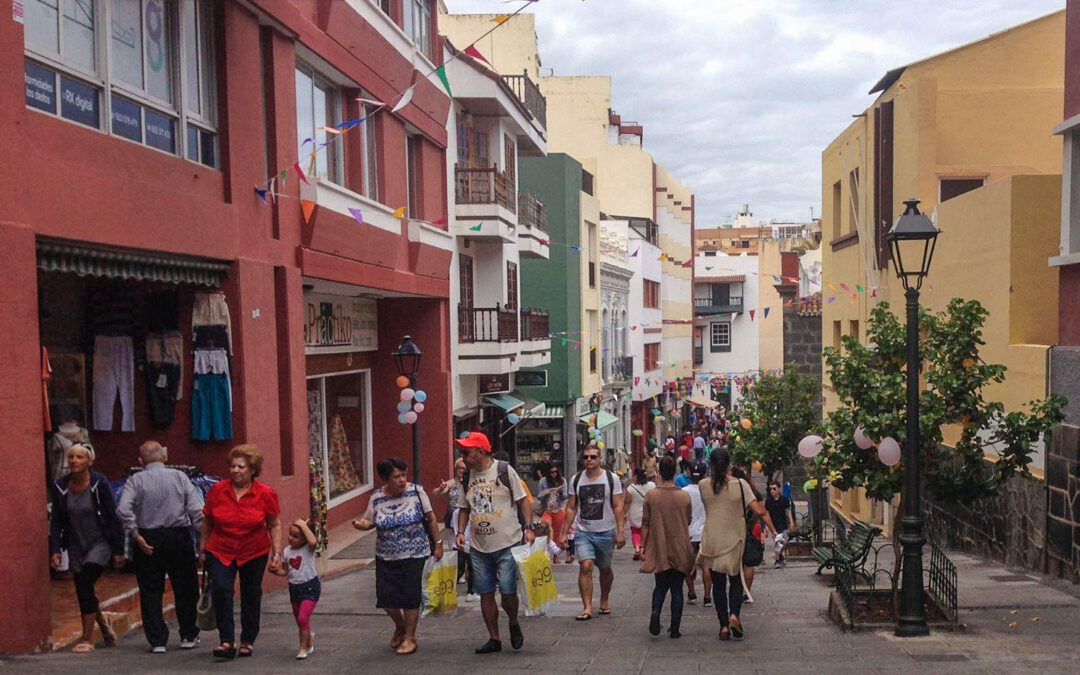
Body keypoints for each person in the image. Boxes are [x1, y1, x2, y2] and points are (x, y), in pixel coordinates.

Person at [116, 441, 205, 653]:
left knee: (150, 590)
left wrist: (135, 533)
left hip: (148, 537)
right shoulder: (180, 477)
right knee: (186, 587)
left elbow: (122, 509)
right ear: (164, 457)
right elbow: (197, 511)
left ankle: (157, 640)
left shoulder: (135, 480)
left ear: (140, 461)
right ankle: (188, 634)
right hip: (178, 536)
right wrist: (202, 538)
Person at [455, 431, 536, 654]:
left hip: (507, 543)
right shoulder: (466, 477)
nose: (462, 456)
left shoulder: (504, 470)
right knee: (486, 592)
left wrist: (529, 528)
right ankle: (494, 638)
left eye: (466, 452)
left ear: (480, 452)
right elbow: (464, 508)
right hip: (480, 546)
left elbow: (524, 502)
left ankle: (512, 621)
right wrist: (461, 532)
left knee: (508, 591)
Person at [352, 457, 441, 656]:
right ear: (385, 479)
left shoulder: (416, 491)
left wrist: (439, 545)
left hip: (415, 553)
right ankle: (400, 626)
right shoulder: (377, 497)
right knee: (387, 600)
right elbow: (369, 520)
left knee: (410, 597)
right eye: (396, 477)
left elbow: (432, 518)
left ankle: (410, 637)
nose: (401, 480)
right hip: (386, 556)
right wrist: (362, 525)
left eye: (403, 475)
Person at [200, 444, 282, 659]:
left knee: (251, 594)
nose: (235, 470)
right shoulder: (217, 490)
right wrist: (202, 548)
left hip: (253, 549)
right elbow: (207, 521)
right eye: (233, 466)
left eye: (241, 467)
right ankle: (226, 640)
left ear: (252, 470)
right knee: (221, 589)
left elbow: (274, 524)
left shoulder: (265, 493)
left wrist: (277, 553)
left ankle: (247, 639)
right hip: (220, 548)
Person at [48, 442, 125, 653]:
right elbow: (56, 520)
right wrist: (54, 549)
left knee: (84, 584)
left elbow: (112, 516)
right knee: (84, 589)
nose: (74, 461)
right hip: (75, 544)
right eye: (71, 457)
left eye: (79, 457)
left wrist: (119, 550)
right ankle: (104, 626)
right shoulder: (60, 486)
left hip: (99, 543)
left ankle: (87, 638)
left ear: (89, 461)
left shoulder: (99, 483)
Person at [698, 448, 773, 641]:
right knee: (736, 581)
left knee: (719, 584)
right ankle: (734, 615)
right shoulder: (740, 485)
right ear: (729, 464)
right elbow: (758, 510)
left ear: (711, 465)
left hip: (713, 540)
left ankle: (723, 626)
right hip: (735, 540)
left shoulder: (703, 485)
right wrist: (748, 521)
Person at [558, 442, 626, 621]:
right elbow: (571, 507)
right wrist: (564, 533)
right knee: (586, 566)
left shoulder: (611, 479)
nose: (589, 460)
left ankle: (604, 598)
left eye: (593, 457)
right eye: (586, 457)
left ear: (600, 459)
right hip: (584, 531)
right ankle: (587, 606)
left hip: (606, 532)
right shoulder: (576, 480)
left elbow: (618, 506)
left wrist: (620, 531)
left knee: (604, 569)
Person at [639, 456, 693, 639]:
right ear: (674, 472)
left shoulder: (652, 496)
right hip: (679, 545)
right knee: (677, 588)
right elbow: (688, 520)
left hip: (659, 545)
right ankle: (675, 628)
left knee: (660, 586)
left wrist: (642, 546)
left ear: (659, 473)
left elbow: (645, 523)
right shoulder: (684, 496)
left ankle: (656, 612)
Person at [269, 519, 320, 659]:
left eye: (296, 536)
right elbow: (285, 571)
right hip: (294, 589)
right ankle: (308, 638)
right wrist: (275, 571)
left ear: (304, 538)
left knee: (303, 617)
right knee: (299, 620)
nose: (290, 538)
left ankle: (303, 648)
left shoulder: (308, 549)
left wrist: (303, 525)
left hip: (310, 587)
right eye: (290, 534)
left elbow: (313, 541)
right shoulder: (287, 551)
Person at [732, 467, 775, 600]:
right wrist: (752, 521)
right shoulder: (754, 492)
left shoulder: (732, 491)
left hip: (734, 529)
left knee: (736, 562)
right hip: (749, 529)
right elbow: (761, 511)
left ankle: (737, 589)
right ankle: (747, 592)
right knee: (748, 562)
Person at [434, 459, 472, 594]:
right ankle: (460, 572)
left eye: (464, 468)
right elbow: (436, 493)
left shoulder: (470, 482)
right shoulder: (452, 483)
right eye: (460, 468)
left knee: (468, 546)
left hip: (466, 519)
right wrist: (441, 488)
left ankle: (467, 571)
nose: (462, 471)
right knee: (455, 548)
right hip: (452, 520)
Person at [682, 462, 712, 607]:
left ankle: (692, 592)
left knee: (689, 565)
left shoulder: (684, 492)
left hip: (689, 533)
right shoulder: (709, 490)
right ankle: (707, 597)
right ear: (704, 474)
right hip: (706, 532)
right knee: (706, 566)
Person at [537, 464, 569, 562]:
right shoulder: (543, 481)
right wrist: (546, 492)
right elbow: (538, 496)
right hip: (547, 509)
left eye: (555, 472)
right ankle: (542, 552)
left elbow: (565, 496)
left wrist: (559, 492)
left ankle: (556, 556)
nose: (553, 474)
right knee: (544, 529)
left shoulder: (562, 481)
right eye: (551, 472)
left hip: (558, 509)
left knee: (557, 533)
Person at [624, 469, 656, 561]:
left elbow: (627, 502)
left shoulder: (631, 488)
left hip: (634, 513)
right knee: (647, 531)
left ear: (636, 476)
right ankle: (645, 549)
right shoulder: (652, 485)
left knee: (635, 531)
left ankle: (637, 548)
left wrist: (623, 513)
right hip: (649, 512)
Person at [765, 481, 795, 567]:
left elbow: (788, 512)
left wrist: (791, 522)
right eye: (770, 489)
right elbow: (767, 514)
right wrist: (767, 527)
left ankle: (780, 555)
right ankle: (777, 560)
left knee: (784, 542)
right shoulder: (768, 501)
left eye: (774, 489)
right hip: (773, 525)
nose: (772, 491)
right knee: (776, 542)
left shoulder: (784, 500)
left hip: (783, 524)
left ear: (778, 489)